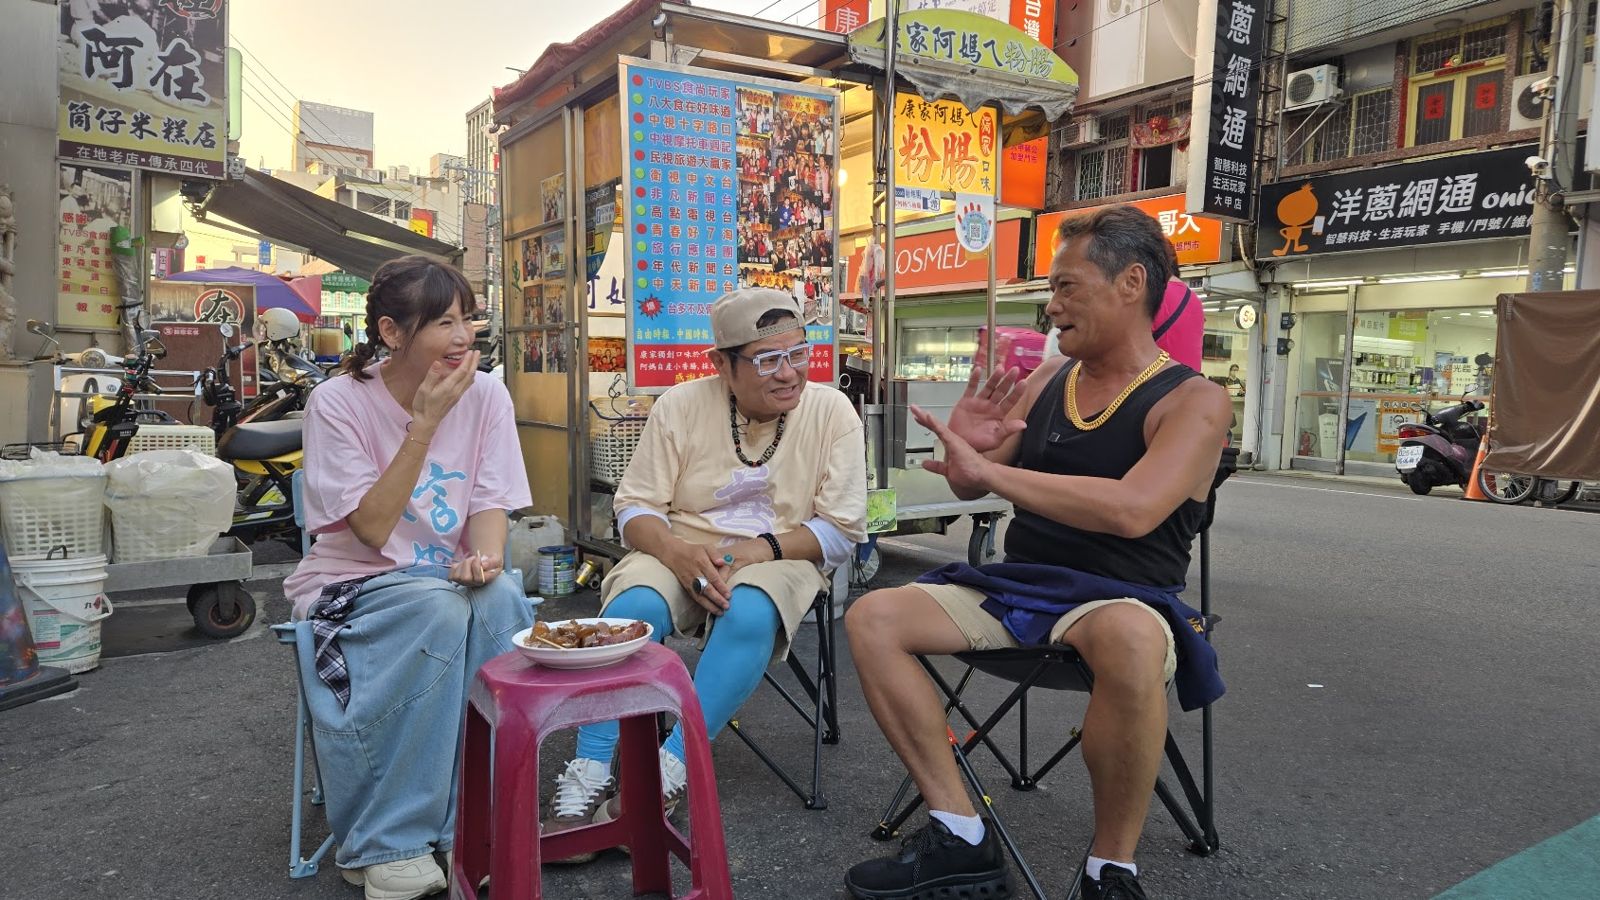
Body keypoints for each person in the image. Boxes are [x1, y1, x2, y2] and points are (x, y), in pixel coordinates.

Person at [843, 206, 1231, 900]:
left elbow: (1134, 510)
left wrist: (992, 473)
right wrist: (967, 448)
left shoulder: (1195, 401)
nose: (1051, 307)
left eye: (1066, 287)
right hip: (1019, 591)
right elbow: (972, 477)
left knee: (1132, 638)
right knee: (873, 617)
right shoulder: (1050, 378)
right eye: (1050, 290)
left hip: (1123, 600)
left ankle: (1109, 870)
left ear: (1131, 283)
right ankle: (958, 833)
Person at [541, 287, 866, 861]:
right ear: (722, 364)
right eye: (768, 360)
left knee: (748, 609)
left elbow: (841, 530)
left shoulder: (831, 410)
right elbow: (634, 507)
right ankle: (589, 767)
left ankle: (666, 772)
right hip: (680, 544)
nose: (788, 373)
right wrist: (672, 549)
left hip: (781, 555)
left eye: (799, 353)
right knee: (634, 606)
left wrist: (757, 550)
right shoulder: (681, 404)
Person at [282, 256, 532, 900]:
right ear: (392, 333)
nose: (463, 337)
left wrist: (485, 559)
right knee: (440, 609)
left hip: (444, 581)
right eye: (443, 323)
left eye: (467, 320)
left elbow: (488, 503)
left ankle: (472, 820)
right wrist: (422, 426)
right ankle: (387, 839)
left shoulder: (488, 394)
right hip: (351, 586)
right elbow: (369, 528)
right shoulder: (339, 402)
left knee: (502, 597)